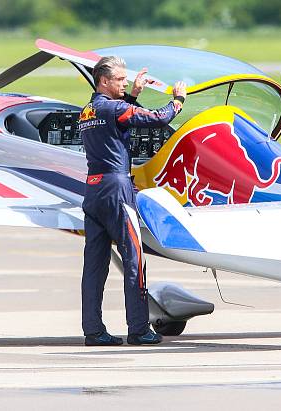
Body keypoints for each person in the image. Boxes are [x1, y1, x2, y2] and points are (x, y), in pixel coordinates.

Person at [78, 56, 187, 346]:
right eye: (120, 80)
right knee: (134, 258)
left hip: (92, 189)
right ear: (103, 81)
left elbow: (120, 118)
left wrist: (133, 94)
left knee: (94, 265)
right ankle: (138, 329)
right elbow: (155, 119)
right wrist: (177, 101)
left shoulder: (86, 111)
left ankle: (93, 331)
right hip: (117, 189)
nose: (124, 83)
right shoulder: (115, 108)